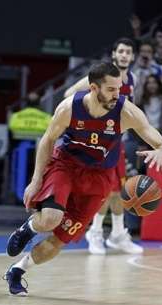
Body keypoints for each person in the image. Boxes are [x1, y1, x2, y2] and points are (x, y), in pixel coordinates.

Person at [4, 62, 162, 295]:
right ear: (94, 88)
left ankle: (17, 270)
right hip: (67, 165)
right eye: (112, 89)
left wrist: (161, 152)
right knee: (51, 218)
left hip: (99, 176)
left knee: (59, 241)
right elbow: (47, 140)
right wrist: (35, 181)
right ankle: (29, 228)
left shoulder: (126, 112)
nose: (118, 94)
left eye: (120, 88)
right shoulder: (69, 108)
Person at [65, 38, 144, 254]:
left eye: (128, 52)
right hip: (98, 142)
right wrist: (88, 121)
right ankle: (96, 232)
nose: (124, 55)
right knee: (106, 190)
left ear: (133, 56)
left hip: (118, 141)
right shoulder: (100, 77)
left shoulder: (133, 79)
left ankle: (118, 234)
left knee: (118, 191)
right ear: (114, 54)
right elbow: (68, 94)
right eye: (121, 51)